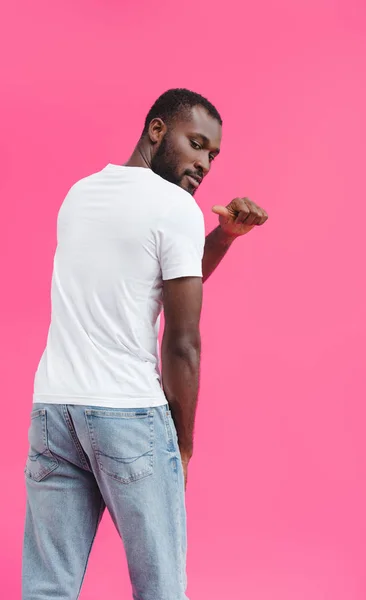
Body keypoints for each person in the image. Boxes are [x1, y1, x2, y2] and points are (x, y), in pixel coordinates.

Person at [22, 88, 268, 600]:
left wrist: (221, 237)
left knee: (47, 587)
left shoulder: (80, 193)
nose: (204, 164)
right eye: (196, 143)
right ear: (157, 130)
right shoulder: (175, 207)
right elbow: (182, 343)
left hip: (54, 409)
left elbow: (154, 277)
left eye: (212, 155)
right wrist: (182, 447)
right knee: (160, 588)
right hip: (127, 416)